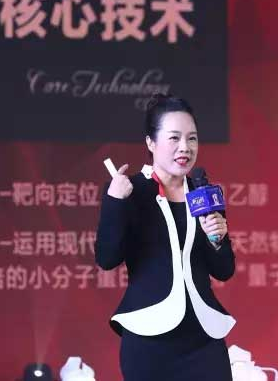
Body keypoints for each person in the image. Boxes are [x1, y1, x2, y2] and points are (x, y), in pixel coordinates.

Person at [95, 94, 236, 381]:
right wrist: (115, 202)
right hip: (149, 340)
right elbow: (107, 259)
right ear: (151, 143)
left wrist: (216, 239)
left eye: (192, 138)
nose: (185, 147)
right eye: (174, 138)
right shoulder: (129, 190)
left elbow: (224, 269)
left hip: (203, 338)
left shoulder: (204, 193)